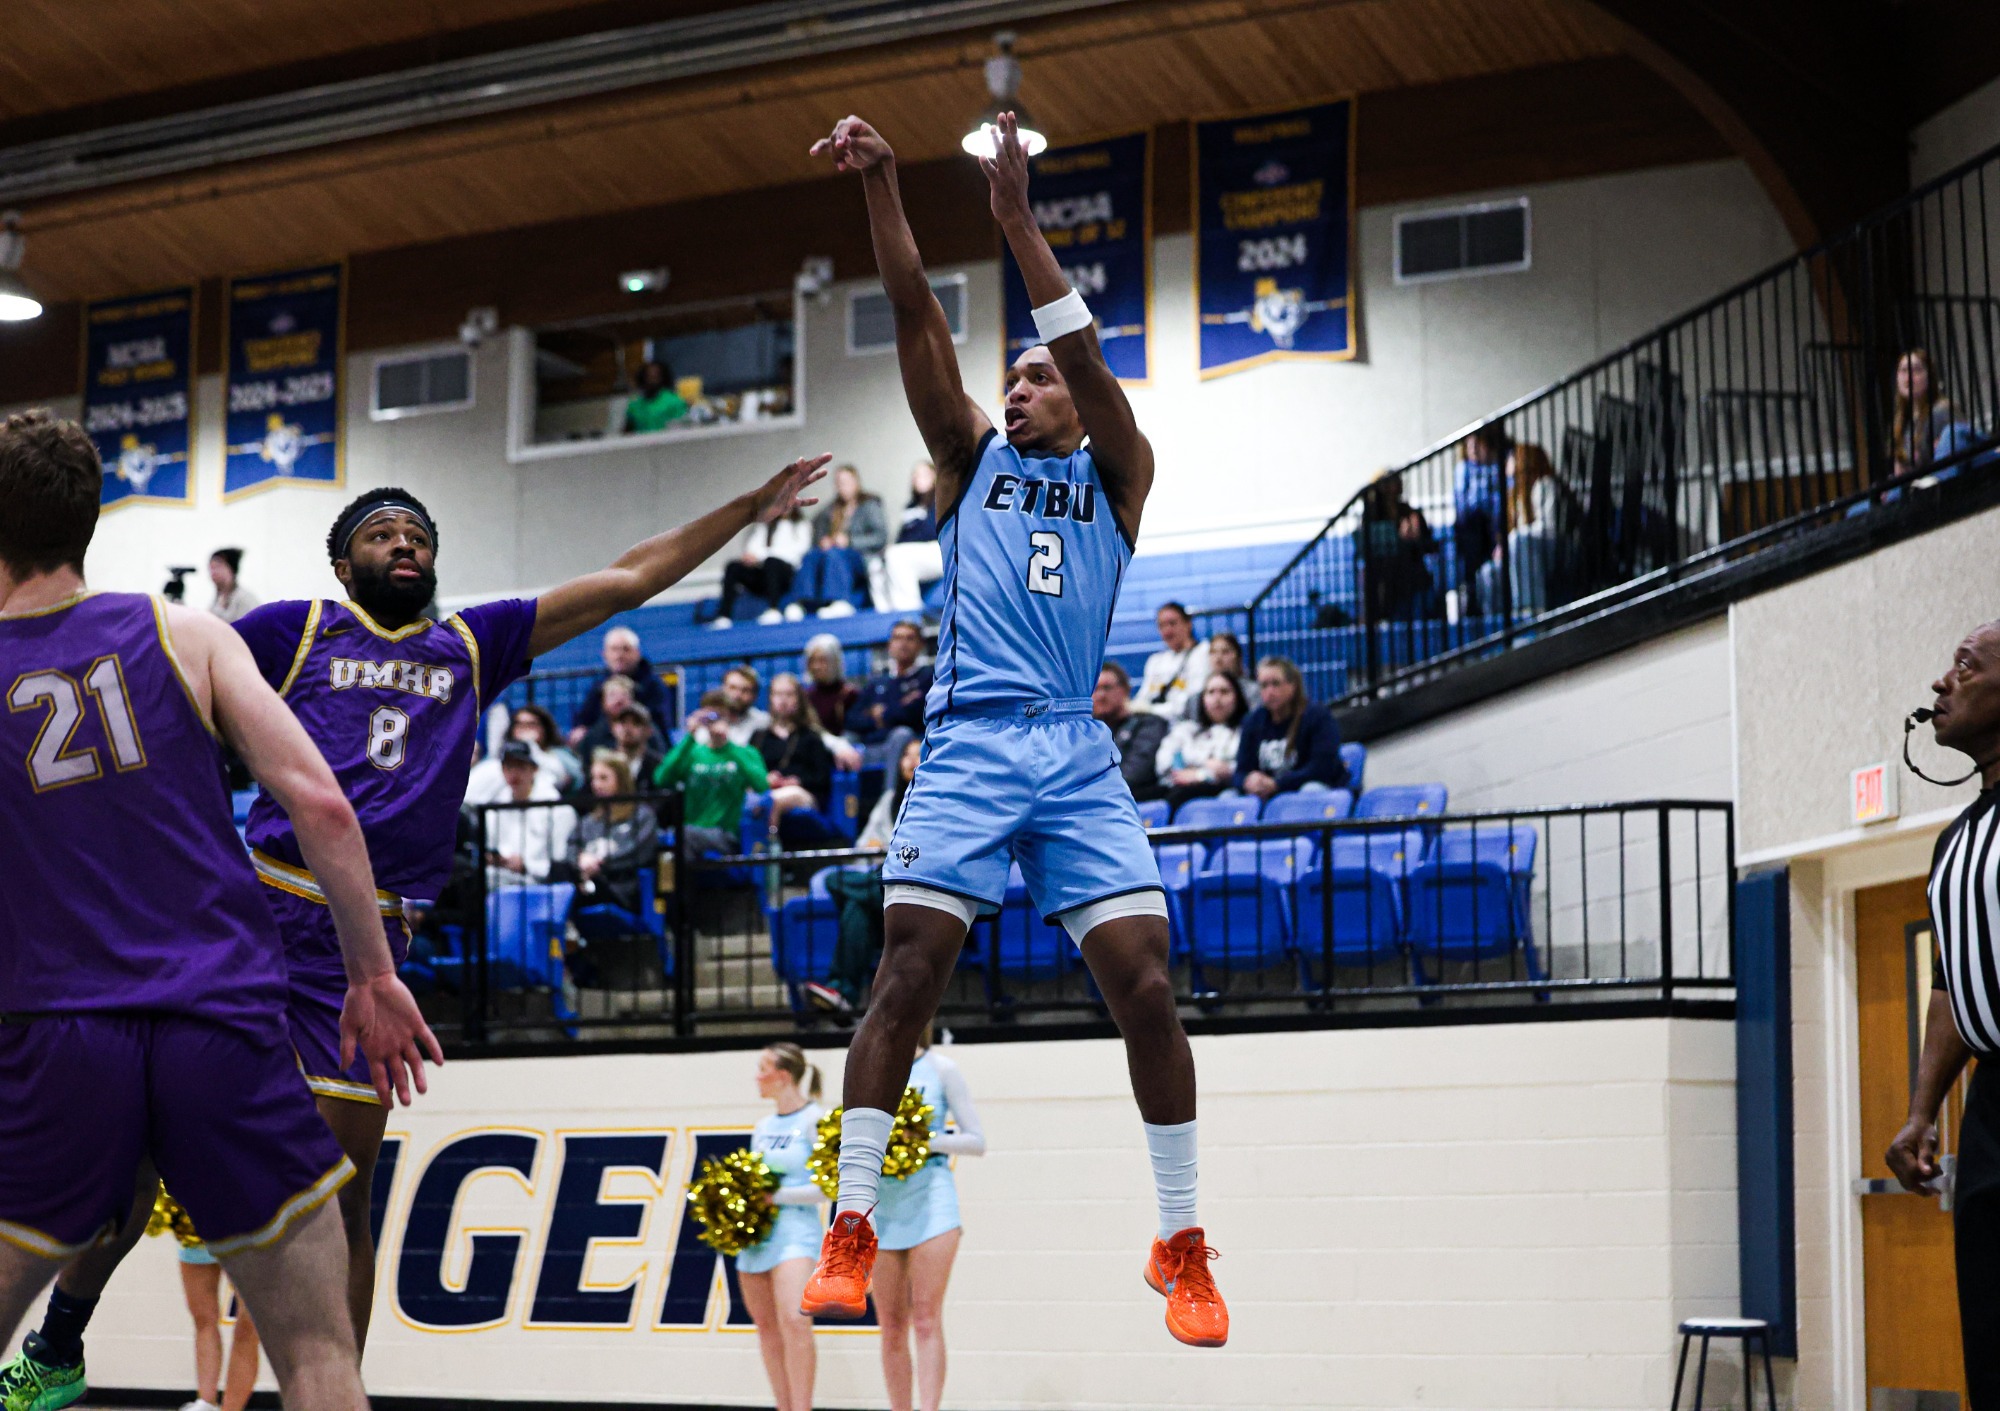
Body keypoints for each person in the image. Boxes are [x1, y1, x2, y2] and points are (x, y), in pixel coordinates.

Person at [5, 449, 829, 1385]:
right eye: (380, 532)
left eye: (418, 535)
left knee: (344, 1198)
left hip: (367, 942)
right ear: (342, 561)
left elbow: (629, 578)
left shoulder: (474, 643)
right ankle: (61, 1334)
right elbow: (158, 663)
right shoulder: (296, 627)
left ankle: (330, 1386)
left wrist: (745, 508)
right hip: (259, 912)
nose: (404, 542)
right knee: (135, 1135)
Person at [799, 111, 1227, 1348]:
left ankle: (1181, 1238)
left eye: (1034, 376)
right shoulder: (965, 459)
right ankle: (850, 1223)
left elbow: (1087, 354)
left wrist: (1018, 224)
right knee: (906, 975)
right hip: (975, 740)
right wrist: (883, 189)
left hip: (1075, 753)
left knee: (1147, 983)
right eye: (1012, 381)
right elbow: (914, 319)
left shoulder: (1119, 471)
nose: (1020, 386)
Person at [0, 408, 439, 1411]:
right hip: (222, 1025)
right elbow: (322, 801)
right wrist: (374, 974)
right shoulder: (181, 629)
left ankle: (57, 1348)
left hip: (60, 1035)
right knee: (323, 1358)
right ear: (91, 517)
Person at [1887, 619, 2000, 1404]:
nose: (1941, 682)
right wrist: (1922, 1110)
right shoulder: (1955, 845)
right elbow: (1949, 987)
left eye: (1965, 665)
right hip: (1992, 1112)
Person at [871, 1039, 986, 1411]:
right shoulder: (871, 1068)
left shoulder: (941, 1069)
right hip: (884, 1205)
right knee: (890, 1326)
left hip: (933, 1203)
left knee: (925, 1317)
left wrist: (923, 1141)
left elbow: (976, 1141)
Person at [738, 1045, 829, 1411]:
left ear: (783, 1075)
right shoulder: (762, 1127)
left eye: (763, 1069)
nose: (757, 1077)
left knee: (794, 1321)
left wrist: (777, 1198)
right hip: (759, 1235)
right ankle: (783, 1405)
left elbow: (826, 1187)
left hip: (796, 1232)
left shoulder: (815, 1120)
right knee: (767, 1327)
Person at [654, 691, 771, 856]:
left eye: (720, 715)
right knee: (675, 839)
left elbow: (762, 785)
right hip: (692, 830)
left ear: (730, 718)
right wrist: (690, 736)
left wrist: (727, 745)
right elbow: (661, 778)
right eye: (710, 715)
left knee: (683, 835)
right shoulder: (692, 752)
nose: (715, 721)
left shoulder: (745, 753)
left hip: (726, 834)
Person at [1235, 656, 1347, 801]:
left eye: (1276, 684)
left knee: (1311, 790)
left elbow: (1322, 767)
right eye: (1264, 685)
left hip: (1311, 789)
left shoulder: (1317, 716)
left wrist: (1277, 784)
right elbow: (1240, 771)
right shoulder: (1252, 721)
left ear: (1292, 686)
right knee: (1230, 796)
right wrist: (1247, 781)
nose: (1270, 691)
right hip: (1267, 793)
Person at [785, 465, 887, 619]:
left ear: (856, 482)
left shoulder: (869, 505)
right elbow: (816, 534)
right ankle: (800, 603)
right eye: (839, 482)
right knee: (812, 555)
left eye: (846, 481)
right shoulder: (829, 510)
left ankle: (841, 600)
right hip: (831, 554)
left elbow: (880, 537)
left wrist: (849, 541)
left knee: (835, 554)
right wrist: (824, 541)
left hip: (860, 557)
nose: (842, 486)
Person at [753, 673, 842, 850]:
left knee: (772, 801)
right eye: (778, 694)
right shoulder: (759, 737)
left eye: (789, 694)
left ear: (799, 699)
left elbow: (822, 778)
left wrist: (797, 781)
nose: (783, 700)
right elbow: (750, 769)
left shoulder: (811, 737)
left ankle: (770, 850)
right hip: (767, 790)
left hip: (804, 794)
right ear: (770, 698)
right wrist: (766, 778)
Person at [567, 751, 660, 918]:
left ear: (621, 779)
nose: (596, 784)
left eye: (603, 778)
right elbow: (572, 846)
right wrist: (579, 861)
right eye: (594, 778)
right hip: (590, 884)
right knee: (559, 871)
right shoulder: (589, 821)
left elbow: (639, 852)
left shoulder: (642, 816)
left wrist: (599, 863)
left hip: (623, 889)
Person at [176, 1229, 260, 1411]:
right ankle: (206, 1403)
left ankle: (231, 1408)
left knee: (248, 1327)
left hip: (248, 1230)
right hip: (198, 1228)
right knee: (203, 1318)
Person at [1474, 441, 1562, 617]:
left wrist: (1513, 539)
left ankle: (1530, 613)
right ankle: (1498, 624)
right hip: (1523, 550)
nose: (1508, 461)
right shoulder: (1515, 494)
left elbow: (1549, 527)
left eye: (1512, 457)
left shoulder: (1544, 484)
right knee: (1488, 572)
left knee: (1518, 541)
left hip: (1548, 550)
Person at [481, 741, 575, 889]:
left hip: (541, 884)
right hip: (499, 877)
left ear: (534, 769)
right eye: (509, 767)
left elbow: (561, 863)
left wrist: (526, 865)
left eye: (521, 766)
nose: (514, 773)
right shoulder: (495, 805)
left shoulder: (557, 808)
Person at [1156, 672, 1249, 814]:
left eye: (1224, 692)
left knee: (1177, 798)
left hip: (1221, 790)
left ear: (1237, 697)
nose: (1217, 698)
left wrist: (1199, 774)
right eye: (1211, 692)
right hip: (1177, 784)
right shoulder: (1186, 730)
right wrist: (1194, 768)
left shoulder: (1245, 732)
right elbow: (1164, 761)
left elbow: (1231, 770)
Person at [567, 626, 673, 747]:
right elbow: (584, 718)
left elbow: (659, 722)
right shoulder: (598, 686)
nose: (619, 655)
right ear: (605, 654)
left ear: (637, 653)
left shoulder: (654, 686)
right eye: (614, 649)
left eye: (626, 649)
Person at [850, 619, 931, 772]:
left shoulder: (927, 677)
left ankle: (890, 793)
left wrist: (880, 714)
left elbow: (913, 714)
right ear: (889, 645)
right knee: (846, 741)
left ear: (920, 645)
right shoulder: (877, 681)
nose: (903, 643)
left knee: (901, 734)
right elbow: (852, 719)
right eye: (898, 638)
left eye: (910, 638)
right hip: (872, 745)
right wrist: (883, 717)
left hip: (908, 748)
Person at [712, 507, 812, 628]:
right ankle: (724, 615)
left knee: (772, 562)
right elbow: (752, 548)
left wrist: (762, 555)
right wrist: (751, 556)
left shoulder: (800, 525)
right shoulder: (766, 525)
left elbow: (799, 550)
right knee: (733, 567)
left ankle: (773, 609)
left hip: (786, 574)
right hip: (763, 572)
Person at [1452, 423, 1510, 613]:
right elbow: (1463, 508)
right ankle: (1471, 593)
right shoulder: (1464, 469)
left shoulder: (1500, 466)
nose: (1473, 450)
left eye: (1478, 444)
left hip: (1499, 525)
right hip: (1474, 529)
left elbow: (1506, 499)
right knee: (1471, 526)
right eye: (1469, 445)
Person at [468, 704, 580, 801]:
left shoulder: (558, 753)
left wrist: (531, 746)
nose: (524, 729)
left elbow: (573, 777)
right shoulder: (498, 759)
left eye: (531, 724)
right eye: (519, 724)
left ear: (544, 728)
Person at [1093, 661, 1168, 800]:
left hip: (1134, 802)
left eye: (1107, 688)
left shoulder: (1148, 724)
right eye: (1095, 689)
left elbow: (1134, 773)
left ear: (1126, 689)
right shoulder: (1087, 732)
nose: (1100, 695)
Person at [882, 461, 944, 612]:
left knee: (896, 556)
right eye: (915, 475)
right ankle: (885, 614)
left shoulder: (941, 498)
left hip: (939, 549)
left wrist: (908, 537)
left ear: (934, 476)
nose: (918, 478)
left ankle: (910, 614)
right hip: (915, 551)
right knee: (877, 564)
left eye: (923, 474)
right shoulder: (911, 506)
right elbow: (902, 537)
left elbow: (931, 531)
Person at [1135, 603, 1209, 719]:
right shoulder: (1155, 661)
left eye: (1172, 623)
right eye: (1162, 626)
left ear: (1188, 624)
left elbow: (1191, 701)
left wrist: (1150, 710)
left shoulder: (1204, 652)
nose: (1167, 631)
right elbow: (1142, 699)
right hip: (1153, 724)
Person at [1892, 347, 1955, 478]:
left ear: (1929, 376)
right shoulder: (1903, 423)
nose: (1908, 377)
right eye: (1903, 371)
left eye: (1916, 370)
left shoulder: (1941, 412)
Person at [803, 633, 859, 737]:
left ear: (835, 662)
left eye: (822, 660)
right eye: (812, 661)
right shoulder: (805, 697)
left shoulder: (849, 694)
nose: (816, 666)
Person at [1189, 631, 1250, 720]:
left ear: (1238, 656)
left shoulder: (1252, 692)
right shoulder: (1196, 698)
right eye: (1213, 652)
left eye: (1225, 652)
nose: (1218, 658)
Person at [605, 701, 665, 788]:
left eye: (636, 723)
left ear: (649, 731)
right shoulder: (605, 765)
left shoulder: (658, 767)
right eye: (623, 722)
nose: (628, 728)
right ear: (613, 728)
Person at [623, 359, 690, 435]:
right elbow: (626, 433)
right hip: (641, 444)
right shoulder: (634, 406)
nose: (652, 380)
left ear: (663, 377)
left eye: (656, 376)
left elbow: (683, 429)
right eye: (649, 376)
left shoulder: (675, 402)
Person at [719, 665, 772, 746]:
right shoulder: (707, 721)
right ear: (722, 688)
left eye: (745, 690)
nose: (737, 695)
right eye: (732, 688)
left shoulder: (764, 723)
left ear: (755, 695)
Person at [206, 549, 258, 625]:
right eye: (211, 568)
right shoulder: (218, 599)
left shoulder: (244, 599)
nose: (214, 573)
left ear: (231, 569)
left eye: (218, 567)